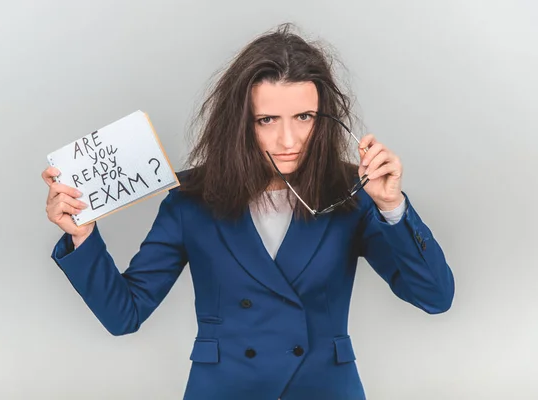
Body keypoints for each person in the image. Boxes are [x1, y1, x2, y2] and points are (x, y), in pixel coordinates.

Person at [42, 24, 454, 400]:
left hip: (323, 389)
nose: (288, 138)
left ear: (324, 118)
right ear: (240, 122)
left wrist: (392, 207)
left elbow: (435, 297)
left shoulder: (352, 192)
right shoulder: (191, 200)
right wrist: (82, 234)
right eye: (267, 120)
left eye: (304, 117)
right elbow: (124, 314)